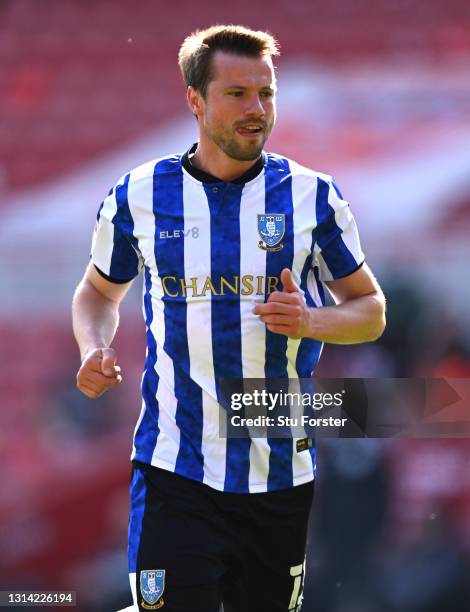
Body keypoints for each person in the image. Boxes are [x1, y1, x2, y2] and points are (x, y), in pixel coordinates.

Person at [72, 24, 386, 612]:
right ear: (196, 100)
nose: (257, 109)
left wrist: (312, 321)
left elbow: (372, 312)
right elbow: (96, 293)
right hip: (175, 468)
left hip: (278, 471)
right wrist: (93, 346)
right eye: (237, 93)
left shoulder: (312, 197)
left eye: (266, 93)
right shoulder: (138, 195)